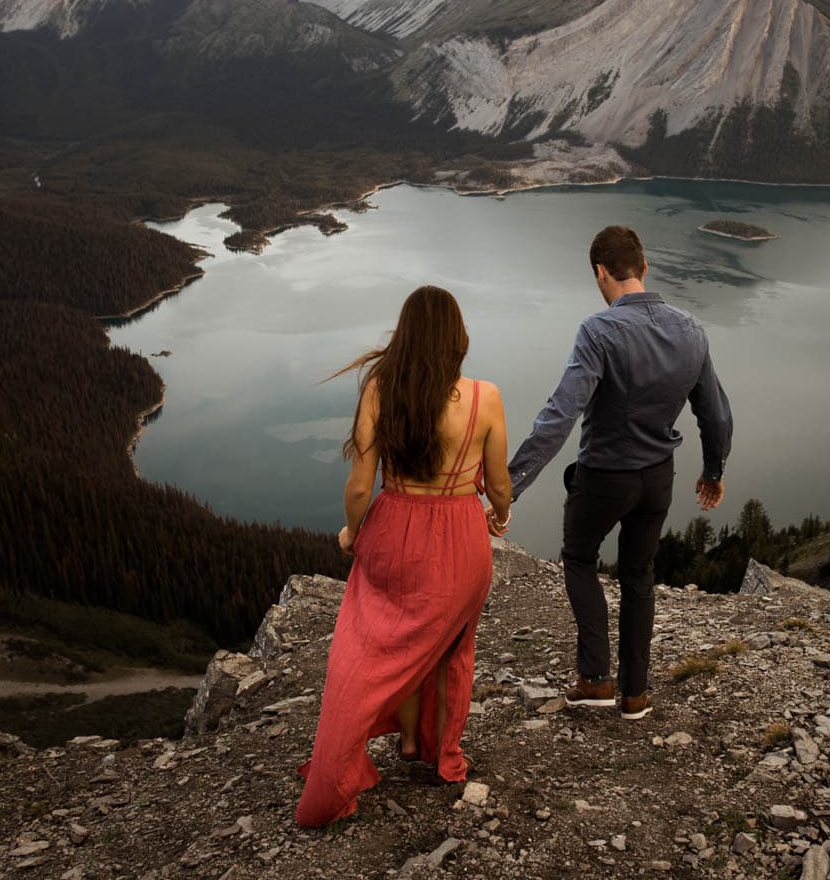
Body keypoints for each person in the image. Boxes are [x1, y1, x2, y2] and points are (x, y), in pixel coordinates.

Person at [295, 285, 512, 828]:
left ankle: (397, 745)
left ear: (407, 334)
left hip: (395, 530)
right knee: (443, 646)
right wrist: (499, 517)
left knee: (372, 647)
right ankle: (432, 750)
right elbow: (501, 485)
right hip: (462, 540)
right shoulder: (486, 397)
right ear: (457, 338)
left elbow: (358, 487)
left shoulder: (381, 389)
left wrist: (351, 533)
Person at [504, 225, 732, 721]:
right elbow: (714, 412)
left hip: (605, 476)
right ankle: (635, 695)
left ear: (601, 272)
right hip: (658, 477)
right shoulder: (691, 329)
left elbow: (560, 415)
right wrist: (713, 470)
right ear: (644, 267)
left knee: (580, 557)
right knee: (638, 574)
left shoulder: (598, 331)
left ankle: (595, 678)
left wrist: (510, 485)